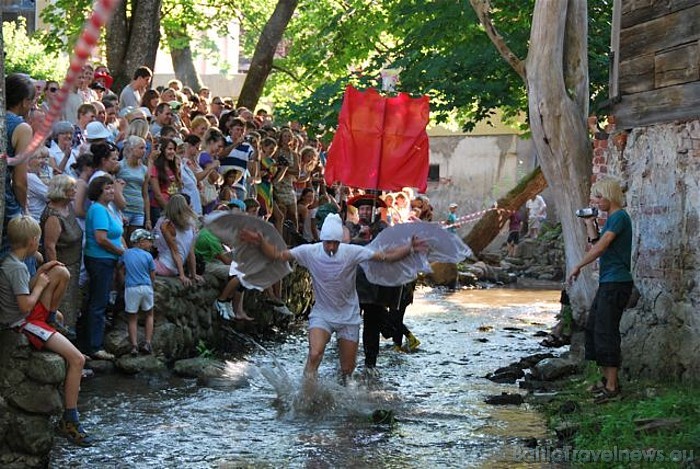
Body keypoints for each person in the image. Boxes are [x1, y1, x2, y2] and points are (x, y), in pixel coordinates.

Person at [239, 213, 426, 381]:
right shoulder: (309, 251)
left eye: (335, 243)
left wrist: (409, 248)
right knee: (314, 354)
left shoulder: (351, 252)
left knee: (347, 370)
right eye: (327, 242)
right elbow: (278, 255)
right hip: (322, 314)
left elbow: (385, 257)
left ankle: (342, 401)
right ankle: (306, 397)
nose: (331, 247)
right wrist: (261, 242)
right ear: (321, 240)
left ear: (340, 241)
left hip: (348, 317)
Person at [0, 216, 92, 446]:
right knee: (77, 359)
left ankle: (51, 317)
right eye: (38, 241)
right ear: (33, 241)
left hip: (29, 315)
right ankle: (70, 419)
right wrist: (40, 284)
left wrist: (43, 268)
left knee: (60, 272)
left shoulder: (13, 262)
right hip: (23, 322)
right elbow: (25, 306)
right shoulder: (17, 269)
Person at [567, 177, 633, 402]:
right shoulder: (611, 219)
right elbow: (597, 243)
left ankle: (612, 387)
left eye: (597, 197)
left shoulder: (619, 217)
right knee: (595, 328)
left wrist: (578, 265)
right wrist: (589, 223)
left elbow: (601, 248)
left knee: (606, 331)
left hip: (617, 282)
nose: (595, 202)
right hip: (608, 281)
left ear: (608, 196)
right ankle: (606, 380)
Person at [83, 176, 125, 360]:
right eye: (107, 188)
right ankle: (94, 346)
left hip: (106, 260)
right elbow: (101, 238)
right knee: (98, 303)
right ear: (98, 191)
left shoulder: (106, 209)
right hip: (100, 260)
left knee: (99, 301)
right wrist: (120, 252)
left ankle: (90, 342)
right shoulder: (99, 209)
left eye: (112, 188)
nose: (111, 191)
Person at [40, 175, 83, 335]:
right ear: (62, 191)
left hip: (74, 264)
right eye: (72, 188)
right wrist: (57, 273)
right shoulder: (53, 216)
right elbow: (50, 247)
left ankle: (70, 339)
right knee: (61, 305)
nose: (75, 191)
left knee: (70, 305)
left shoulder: (67, 207)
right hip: (62, 268)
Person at [120, 229, 156, 356]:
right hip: (146, 287)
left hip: (131, 288)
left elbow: (120, 268)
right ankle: (147, 342)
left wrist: (122, 281)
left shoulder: (126, 254)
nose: (151, 244)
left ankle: (134, 346)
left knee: (132, 318)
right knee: (149, 315)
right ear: (140, 242)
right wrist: (152, 285)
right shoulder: (148, 256)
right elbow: (152, 274)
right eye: (149, 241)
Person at [153, 194, 202, 286]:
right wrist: (193, 274)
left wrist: (182, 275)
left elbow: (175, 251)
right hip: (174, 268)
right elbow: (190, 253)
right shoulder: (192, 227)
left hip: (165, 265)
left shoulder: (166, 225)